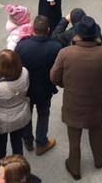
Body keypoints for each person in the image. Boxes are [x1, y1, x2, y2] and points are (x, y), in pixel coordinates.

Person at [50, 16, 102, 180]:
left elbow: (54, 77)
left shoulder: (65, 53)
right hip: (96, 103)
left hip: (72, 105)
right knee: (96, 133)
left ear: (77, 34)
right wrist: (101, 88)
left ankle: (75, 169)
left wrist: (66, 85)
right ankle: (99, 161)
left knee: (74, 139)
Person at [15, 15, 61, 155]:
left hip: (25, 89)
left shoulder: (21, 45)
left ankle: (28, 141)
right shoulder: (55, 47)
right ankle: (41, 143)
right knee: (43, 114)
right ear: (48, 30)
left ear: (32, 29)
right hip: (44, 89)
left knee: (26, 114)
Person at [0, 49, 31, 160]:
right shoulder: (24, 72)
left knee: (0, 146)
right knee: (17, 143)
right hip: (21, 114)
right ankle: (19, 168)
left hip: (2, 120)